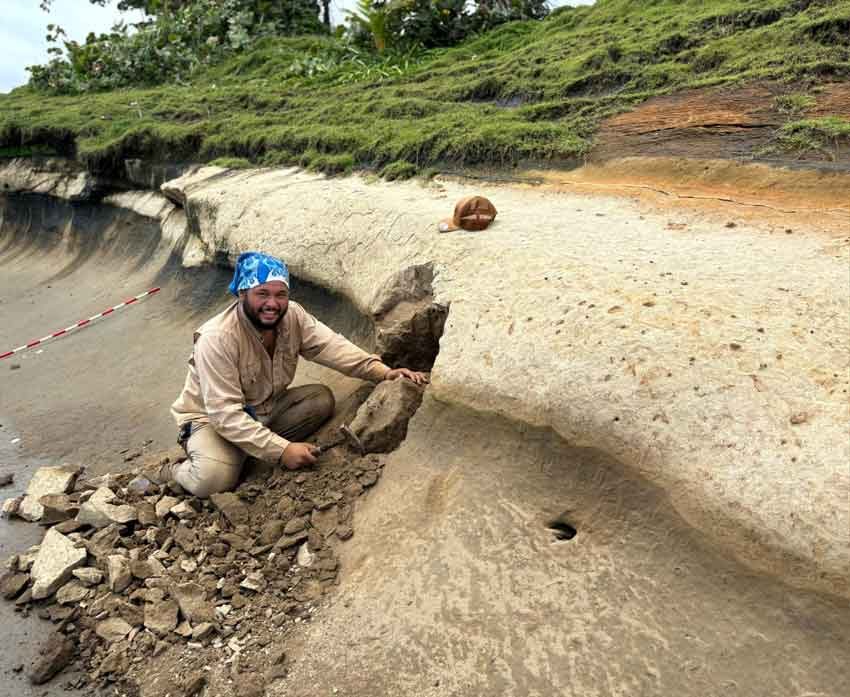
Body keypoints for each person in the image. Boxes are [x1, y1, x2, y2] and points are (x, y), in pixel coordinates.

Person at [163, 251, 428, 497]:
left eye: (281, 294)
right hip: (210, 421)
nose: (272, 304)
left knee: (320, 400)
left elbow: (332, 347)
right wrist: (283, 450)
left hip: (263, 410)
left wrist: (384, 373)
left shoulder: (293, 316)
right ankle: (174, 470)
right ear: (242, 294)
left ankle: (247, 453)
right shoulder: (217, 339)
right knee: (212, 479)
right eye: (262, 293)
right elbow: (224, 415)